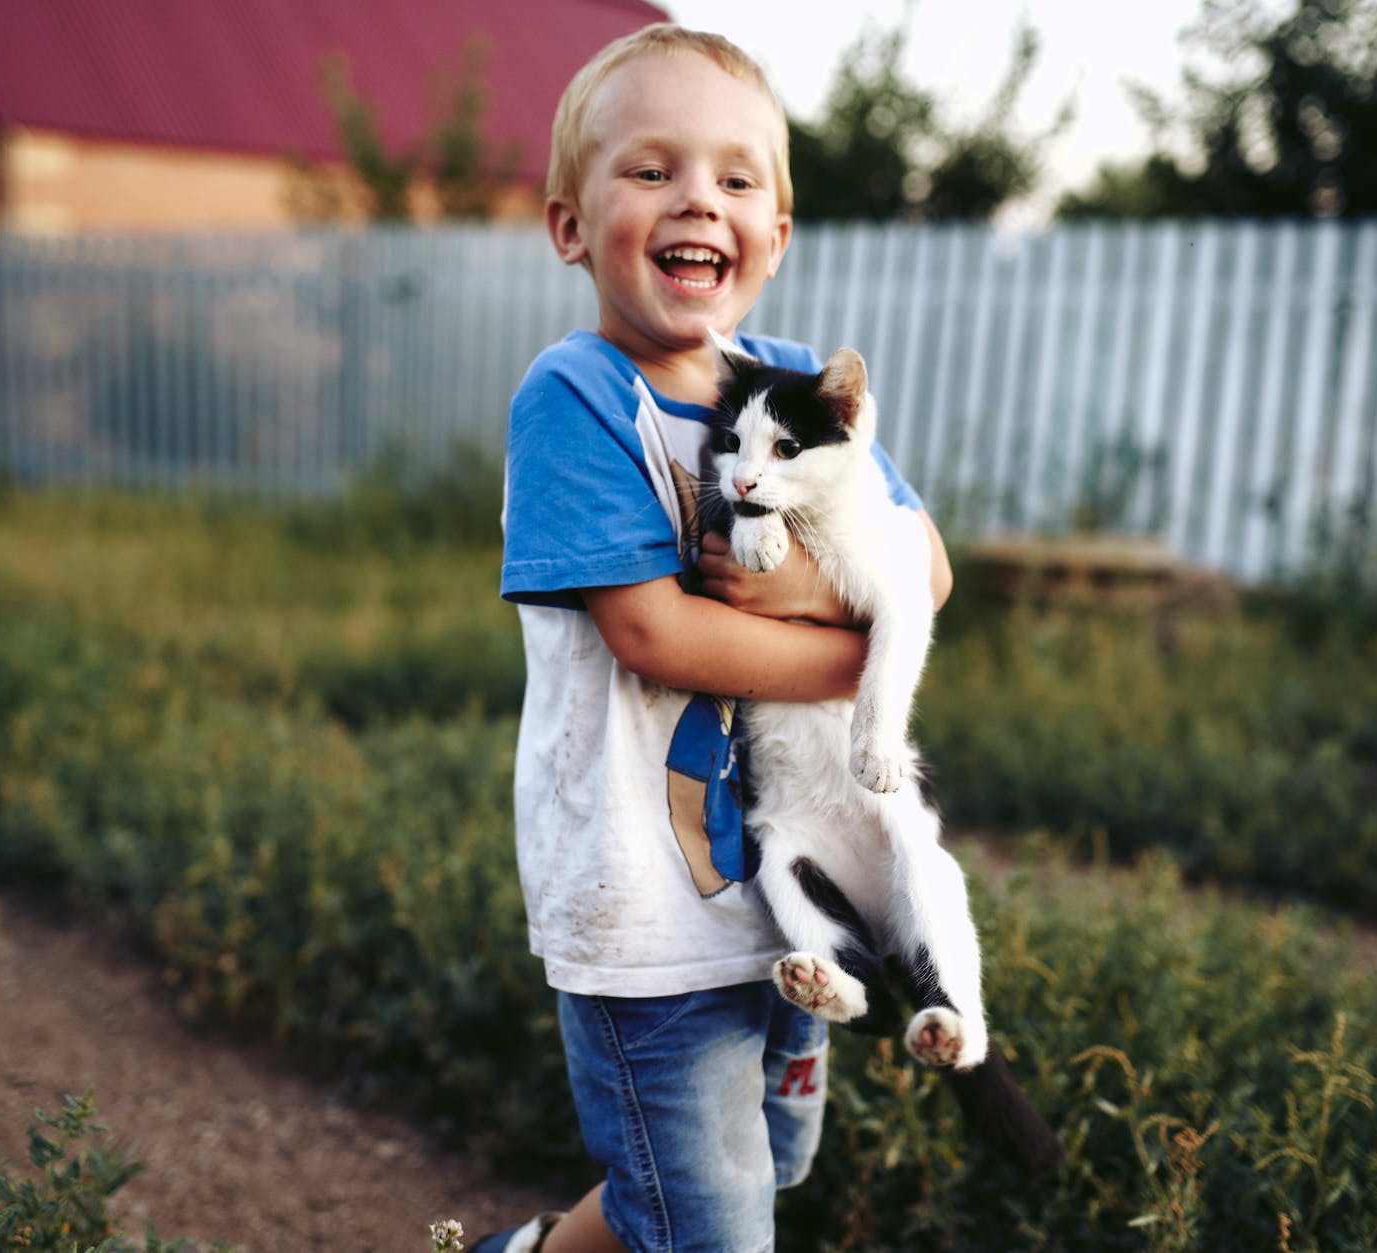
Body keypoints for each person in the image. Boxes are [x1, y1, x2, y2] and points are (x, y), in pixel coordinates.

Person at [475, 23, 952, 1253]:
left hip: (788, 884)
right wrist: (859, 652)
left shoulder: (794, 387)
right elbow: (650, 630)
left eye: (738, 178)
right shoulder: (578, 395)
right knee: (707, 1219)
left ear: (776, 236)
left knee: (752, 1170)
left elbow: (928, 563)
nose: (700, 197)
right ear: (570, 224)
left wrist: (795, 595)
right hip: (647, 898)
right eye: (652, 170)